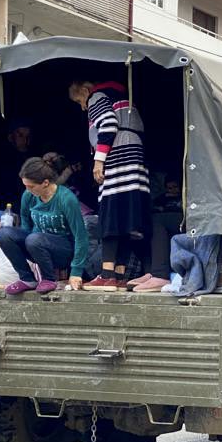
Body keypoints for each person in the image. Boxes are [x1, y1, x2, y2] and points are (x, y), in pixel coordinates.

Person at [68, 79, 152, 291]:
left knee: (111, 214)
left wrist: (99, 160)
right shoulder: (121, 97)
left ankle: (107, 276)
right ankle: (120, 276)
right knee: (126, 219)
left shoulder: (96, 96)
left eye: (79, 100)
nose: (82, 107)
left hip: (118, 157)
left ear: (85, 90)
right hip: (134, 156)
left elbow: (107, 125)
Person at [0, 157, 88, 296]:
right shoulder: (28, 196)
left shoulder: (66, 198)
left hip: (63, 250)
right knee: (5, 234)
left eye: (31, 186)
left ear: (45, 183)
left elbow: (81, 237)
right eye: (25, 186)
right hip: (37, 246)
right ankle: (27, 279)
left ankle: (49, 279)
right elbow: (26, 225)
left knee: (34, 239)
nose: (27, 190)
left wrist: (76, 271)